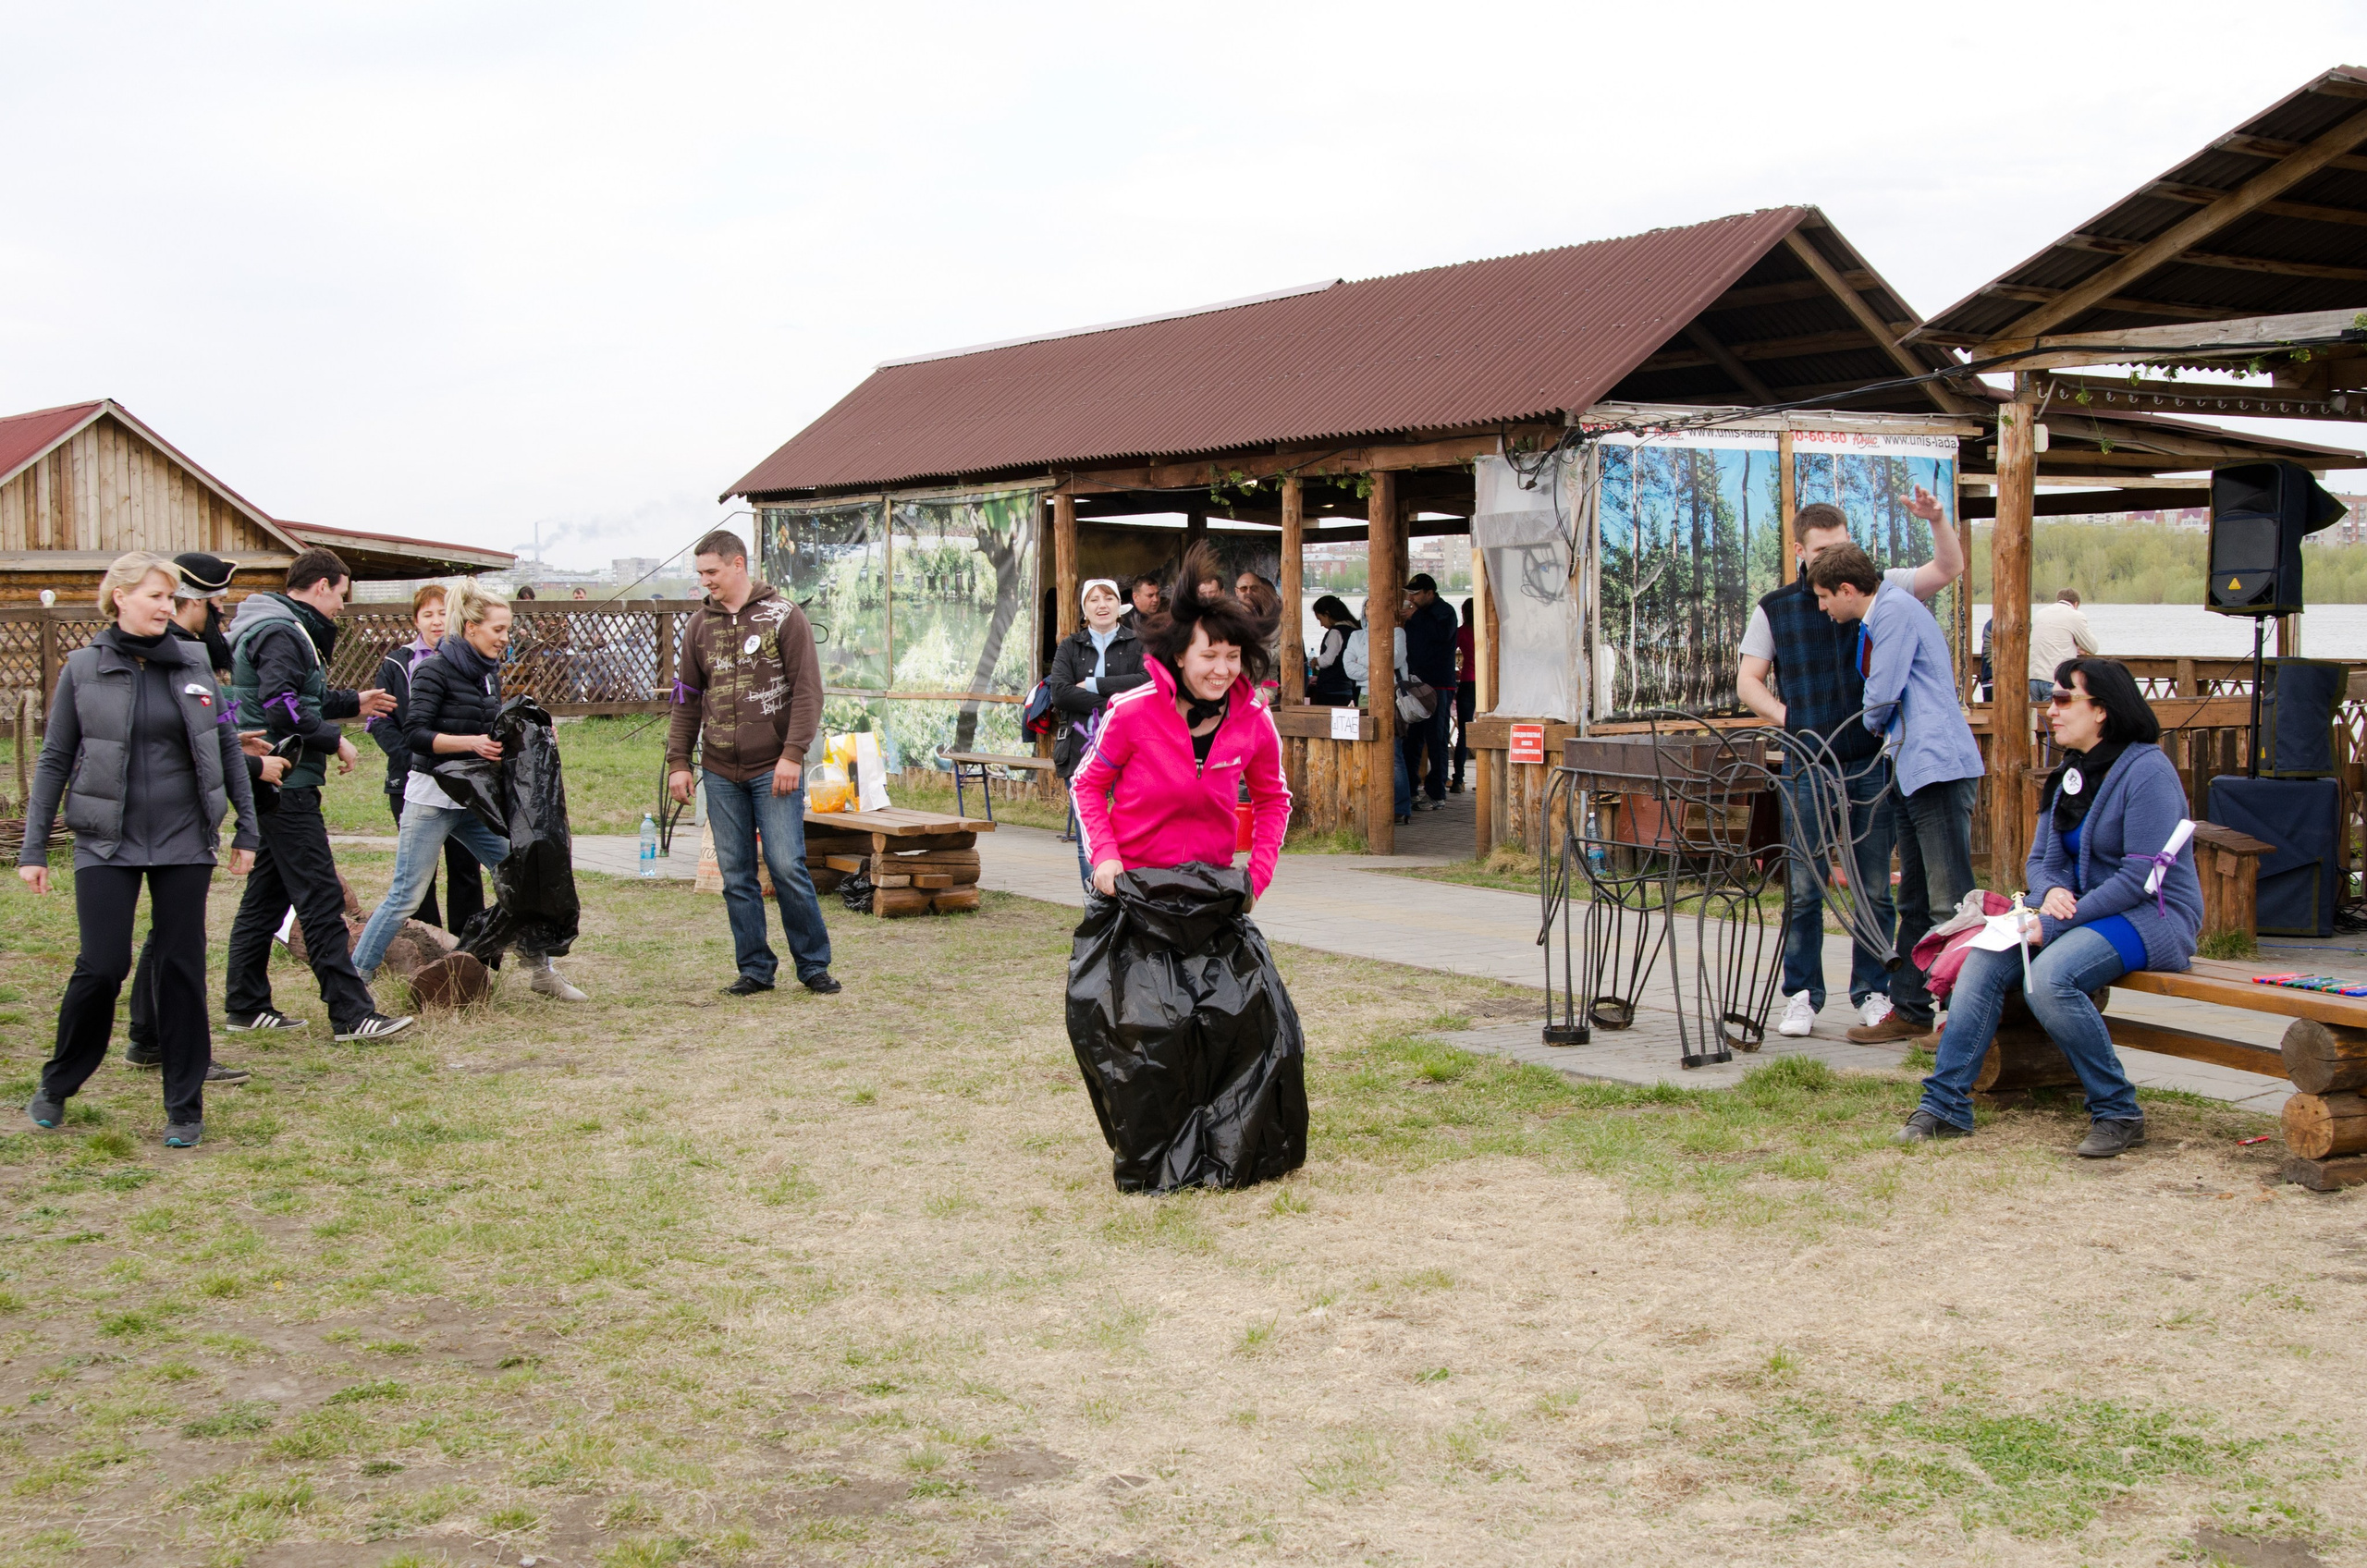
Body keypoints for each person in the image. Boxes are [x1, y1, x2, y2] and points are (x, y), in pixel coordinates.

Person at [1899, 659, 2201, 1158]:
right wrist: (2049, 895)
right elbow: (2041, 860)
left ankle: (2118, 1110)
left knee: (2048, 980)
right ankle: (1946, 1105)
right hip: (2074, 913)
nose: (2051, 711)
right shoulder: (2069, 773)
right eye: (2052, 699)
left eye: (2063, 700)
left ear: (2101, 710)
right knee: (1982, 960)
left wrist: (2058, 914)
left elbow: (2142, 876)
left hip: (2151, 917)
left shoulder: (2148, 771)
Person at [18, 552, 261, 1147]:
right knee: (102, 966)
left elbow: (227, 747)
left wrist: (247, 829)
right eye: (155, 595)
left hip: (184, 837)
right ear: (119, 597)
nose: (166, 606)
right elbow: (53, 760)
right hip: (106, 839)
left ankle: (184, 1106)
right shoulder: (83, 668)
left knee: (181, 968)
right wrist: (33, 847)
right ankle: (59, 1081)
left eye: (171, 597)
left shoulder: (195, 662)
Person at [1736, 495, 1962, 1041]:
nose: (1835, 557)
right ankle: (1802, 995)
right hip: (1806, 763)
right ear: (1799, 551)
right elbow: (1748, 681)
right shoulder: (1774, 607)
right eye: (1823, 550)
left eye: (1843, 547)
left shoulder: (1881, 591)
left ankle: (1873, 990)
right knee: (1806, 884)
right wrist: (1794, 718)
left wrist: (1936, 520)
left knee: (1874, 887)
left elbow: (1949, 568)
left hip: (1869, 761)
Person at [350, 581, 585, 998]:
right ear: (472, 627)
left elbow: (489, 726)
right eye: (498, 629)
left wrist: (534, 733)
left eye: (508, 629)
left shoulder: (485, 673)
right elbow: (415, 735)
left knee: (522, 878)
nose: (505, 637)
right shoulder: (432, 670)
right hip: (430, 798)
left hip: (471, 799)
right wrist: (470, 744)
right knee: (405, 895)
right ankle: (353, 982)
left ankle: (540, 972)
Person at [222, 548, 413, 1042]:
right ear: (323, 585)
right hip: (288, 780)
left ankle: (245, 1004)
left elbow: (294, 695)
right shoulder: (285, 631)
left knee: (267, 897)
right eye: (341, 596)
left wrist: (354, 702)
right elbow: (281, 707)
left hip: (277, 779)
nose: (341, 608)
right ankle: (352, 1013)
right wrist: (335, 737)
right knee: (320, 896)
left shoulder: (275, 623)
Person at [1809, 542, 1985, 1047]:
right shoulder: (1883, 612)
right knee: (1915, 896)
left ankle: (1961, 1017)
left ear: (1847, 589)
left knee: (1950, 900)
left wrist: (1863, 725)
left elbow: (1882, 692)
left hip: (1937, 766)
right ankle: (1911, 1007)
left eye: (1825, 597)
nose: (1824, 608)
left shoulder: (1893, 613)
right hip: (1912, 766)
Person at [665, 529, 839, 997]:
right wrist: (679, 761)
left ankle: (813, 965)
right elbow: (686, 699)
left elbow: (807, 692)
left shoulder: (785, 616)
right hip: (719, 769)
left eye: (712, 572)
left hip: (774, 767)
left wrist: (793, 754)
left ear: (737, 563)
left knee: (785, 865)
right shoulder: (699, 626)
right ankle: (755, 968)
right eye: (700, 573)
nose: (705, 582)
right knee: (736, 872)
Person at [123, 554, 277, 1076]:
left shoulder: (190, 656)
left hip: (180, 813)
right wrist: (251, 765)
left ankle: (148, 1037)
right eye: (216, 605)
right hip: (170, 813)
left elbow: (189, 732)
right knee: (178, 939)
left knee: (170, 933)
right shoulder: (176, 656)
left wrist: (232, 740)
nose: (221, 615)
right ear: (196, 602)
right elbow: (169, 745)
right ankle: (179, 1050)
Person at [1073, 545, 1291, 901]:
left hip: (1211, 892)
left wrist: (1258, 875)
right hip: (1133, 889)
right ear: (1179, 655)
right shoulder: (1131, 711)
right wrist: (1105, 856)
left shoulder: (1254, 717)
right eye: (1208, 656)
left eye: (1232, 657)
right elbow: (1087, 786)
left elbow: (1273, 800)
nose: (1222, 671)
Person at [365, 585, 484, 936]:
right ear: (416, 619)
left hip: (462, 781)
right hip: (410, 781)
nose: (436, 621)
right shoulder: (396, 663)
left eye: (442, 613)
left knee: (466, 868)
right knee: (419, 876)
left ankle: (469, 951)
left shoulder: (473, 662)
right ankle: (426, 947)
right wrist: (415, 758)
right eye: (427, 614)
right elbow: (380, 721)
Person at [1049, 579, 1150, 891]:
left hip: (1132, 747)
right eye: (1093, 600)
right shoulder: (1070, 646)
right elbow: (1061, 693)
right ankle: (1096, 902)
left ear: (1119, 605)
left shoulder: (1139, 643)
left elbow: (1148, 681)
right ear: (1085, 608)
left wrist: (1092, 685)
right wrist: (1118, 700)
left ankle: (1132, 898)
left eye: (1108, 598)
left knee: (1132, 827)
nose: (1101, 605)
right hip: (1081, 746)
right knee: (1088, 834)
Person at [1343, 601, 1415, 826]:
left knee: (1393, 752)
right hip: (1364, 696)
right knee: (1365, 750)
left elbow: (1394, 660)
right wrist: (1376, 667)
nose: (1370, 610)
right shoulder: (1356, 636)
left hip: (1391, 696)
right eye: (1366, 606)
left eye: (1375, 606)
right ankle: (1370, 804)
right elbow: (1348, 668)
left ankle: (1400, 807)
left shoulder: (1398, 632)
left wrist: (1364, 661)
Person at [1400, 574, 1457, 809]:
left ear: (1430, 592)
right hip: (1414, 682)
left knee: (1437, 738)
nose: (1411, 598)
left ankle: (1437, 794)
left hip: (1438, 684)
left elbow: (1441, 635)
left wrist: (1417, 616)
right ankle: (1411, 789)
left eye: (1416, 593)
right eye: (1409, 594)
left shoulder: (1445, 611)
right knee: (1412, 739)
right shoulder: (1417, 615)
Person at [2027, 588, 2098, 701]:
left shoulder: (2040, 613)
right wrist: (2077, 645)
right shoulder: (2075, 615)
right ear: (2075, 604)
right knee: (2053, 716)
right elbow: (2093, 647)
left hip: (2033, 677)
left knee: (2037, 717)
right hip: (2053, 678)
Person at [1306, 596, 1358, 704]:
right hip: (1348, 686)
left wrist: (1316, 661)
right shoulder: (1355, 630)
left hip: (1331, 689)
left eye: (1320, 619)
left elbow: (1328, 659)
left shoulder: (1335, 632)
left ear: (1327, 614)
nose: (1321, 624)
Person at [1451, 597, 1476, 793]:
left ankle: (1458, 779)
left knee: (1463, 733)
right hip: (1489, 684)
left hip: (1468, 681)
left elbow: (1449, 653)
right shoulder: (1489, 629)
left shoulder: (1462, 632)